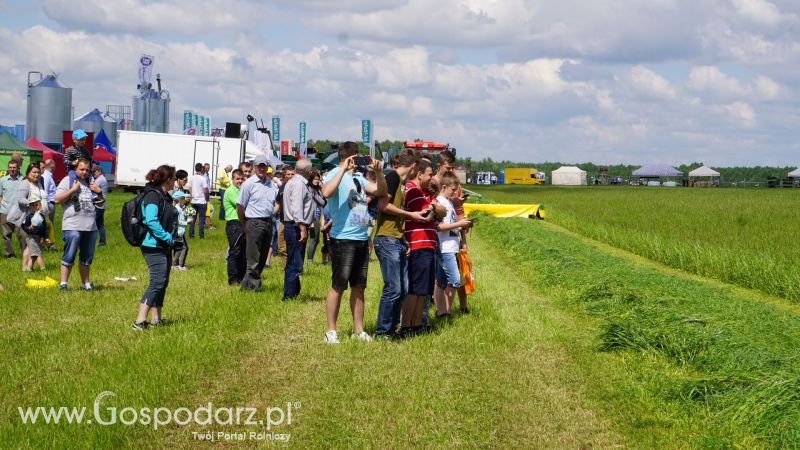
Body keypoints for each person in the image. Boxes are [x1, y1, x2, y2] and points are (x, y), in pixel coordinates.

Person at [321, 142, 387, 344]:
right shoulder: (334, 174)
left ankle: (358, 330)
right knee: (338, 285)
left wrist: (379, 172)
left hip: (360, 237)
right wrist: (342, 169)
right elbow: (326, 193)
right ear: (351, 157)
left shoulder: (358, 178)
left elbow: (381, 191)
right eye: (358, 158)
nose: (360, 162)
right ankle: (331, 331)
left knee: (359, 287)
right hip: (343, 238)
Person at [373, 151, 428, 338]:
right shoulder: (392, 177)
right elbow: (382, 205)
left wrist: (403, 236)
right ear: (413, 166)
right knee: (394, 288)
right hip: (386, 238)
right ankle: (383, 332)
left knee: (403, 288)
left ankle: (393, 328)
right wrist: (410, 215)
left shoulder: (401, 182)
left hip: (397, 239)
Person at [401, 159, 445, 335]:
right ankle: (407, 325)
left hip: (427, 244)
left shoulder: (424, 192)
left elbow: (442, 212)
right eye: (429, 174)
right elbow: (428, 214)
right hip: (418, 245)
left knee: (424, 290)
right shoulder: (413, 191)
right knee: (415, 289)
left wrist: (434, 207)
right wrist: (434, 207)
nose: (431, 178)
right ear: (419, 174)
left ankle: (417, 324)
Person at [133, 165, 178, 330]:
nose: (176, 181)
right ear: (167, 180)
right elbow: (151, 220)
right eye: (174, 178)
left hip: (164, 244)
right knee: (157, 282)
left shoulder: (164, 196)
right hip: (153, 245)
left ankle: (156, 319)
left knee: (163, 282)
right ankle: (139, 321)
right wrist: (166, 237)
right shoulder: (153, 196)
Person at [54, 159, 104, 291]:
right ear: (75, 169)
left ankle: (85, 283)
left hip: (90, 226)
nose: (85, 172)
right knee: (69, 255)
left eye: (87, 170)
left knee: (87, 257)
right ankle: (63, 284)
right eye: (82, 169)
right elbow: (57, 199)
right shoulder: (68, 181)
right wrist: (72, 190)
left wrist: (99, 192)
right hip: (72, 225)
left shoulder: (91, 183)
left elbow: (101, 204)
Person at [282, 159, 325, 300]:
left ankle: (293, 292)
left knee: (295, 260)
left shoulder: (294, 182)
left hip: (293, 225)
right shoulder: (299, 184)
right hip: (295, 226)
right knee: (294, 262)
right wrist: (302, 227)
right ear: (308, 171)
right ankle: (289, 295)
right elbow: (297, 207)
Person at [237, 155, 278, 292]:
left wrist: (273, 212)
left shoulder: (271, 184)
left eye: (264, 166)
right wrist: (245, 225)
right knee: (253, 258)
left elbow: (277, 201)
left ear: (267, 168)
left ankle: (245, 287)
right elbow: (240, 207)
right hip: (254, 222)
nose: (261, 168)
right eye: (259, 166)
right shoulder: (248, 184)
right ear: (254, 167)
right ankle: (255, 288)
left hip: (268, 222)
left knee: (262, 258)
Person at [433, 173, 472, 316]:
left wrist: (462, 230)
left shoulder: (449, 202)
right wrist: (459, 224)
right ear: (444, 187)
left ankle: (442, 312)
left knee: (441, 281)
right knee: (455, 281)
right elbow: (439, 227)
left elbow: (451, 224)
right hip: (445, 248)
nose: (455, 193)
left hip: (452, 246)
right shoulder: (439, 202)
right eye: (453, 190)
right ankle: (446, 311)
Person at [7, 164, 48, 271]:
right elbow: (20, 199)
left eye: (38, 172)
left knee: (33, 243)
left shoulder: (39, 184)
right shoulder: (25, 183)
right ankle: (25, 268)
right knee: (28, 245)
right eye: (34, 172)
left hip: (38, 219)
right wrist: (32, 204)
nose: (36, 174)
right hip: (25, 219)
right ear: (28, 173)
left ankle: (29, 267)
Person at [224, 169, 247, 285]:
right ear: (232, 179)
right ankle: (233, 279)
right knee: (235, 252)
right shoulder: (231, 191)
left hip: (243, 224)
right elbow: (241, 204)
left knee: (243, 252)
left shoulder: (241, 190)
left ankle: (241, 277)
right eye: (237, 179)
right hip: (234, 224)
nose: (240, 181)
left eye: (242, 179)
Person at [0, 160, 23, 257]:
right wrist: (2, 204)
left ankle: (25, 253)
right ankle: (9, 255)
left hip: (20, 212)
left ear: (18, 168)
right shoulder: (2, 180)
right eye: (10, 167)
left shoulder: (23, 180)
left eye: (14, 167)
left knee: (22, 234)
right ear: (8, 168)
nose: (12, 169)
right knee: (6, 235)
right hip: (5, 211)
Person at [22, 195, 47, 271]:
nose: (35, 206)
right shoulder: (29, 217)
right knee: (37, 253)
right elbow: (23, 225)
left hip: (39, 237)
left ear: (39, 205)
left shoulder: (42, 216)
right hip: (31, 238)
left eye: (36, 204)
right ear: (29, 206)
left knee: (34, 255)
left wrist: (46, 237)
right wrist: (28, 228)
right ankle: (43, 268)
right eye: (32, 205)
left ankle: (29, 268)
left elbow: (44, 228)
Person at [305, 169, 325, 264]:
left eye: (318, 179)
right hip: (312, 217)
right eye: (315, 179)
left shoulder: (317, 189)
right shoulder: (310, 189)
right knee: (314, 239)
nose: (317, 181)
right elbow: (322, 201)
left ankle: (310, 259)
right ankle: (309, 260)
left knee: (316, 239)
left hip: (317, 216)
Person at [171, 191, 192, 271]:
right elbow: (177, 221)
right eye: (183, 198)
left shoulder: (181, 207)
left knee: (178, 247)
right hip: (178, 231)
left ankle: (174, 264)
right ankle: (181, 266)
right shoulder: (177, 209)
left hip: (180, 231)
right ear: (179, 199)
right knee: (184, 248)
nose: (185, 199)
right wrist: (186, 222)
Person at [188, 163, 208, 238]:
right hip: (202, 201)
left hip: (193, 201)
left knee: (193, 218)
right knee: (202, 219)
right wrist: (206, 199)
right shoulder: (203, 178)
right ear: (202, 169)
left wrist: (192, 195)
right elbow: (205, 190)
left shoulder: (192, 178)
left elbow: (190, 188)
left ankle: (191, 235)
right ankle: (201, 235)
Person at [92, 165, 109, 246]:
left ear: (99, 171)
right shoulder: (102, 178)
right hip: (101, 204)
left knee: (92, 223)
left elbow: (92, 188)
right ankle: (102, 241)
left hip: (98, 204)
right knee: (100, 224)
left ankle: (91, 241)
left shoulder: (100, 180)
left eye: (94, 172)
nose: (93, 173)